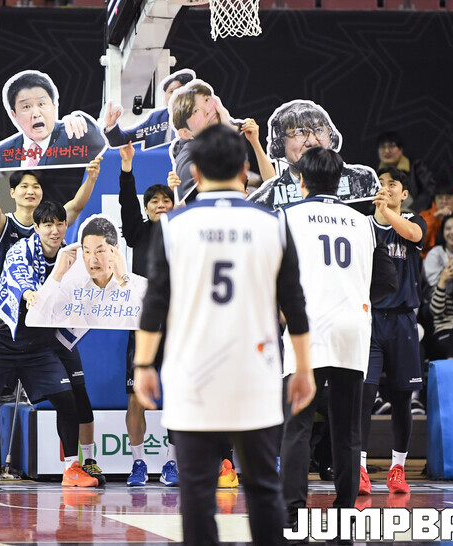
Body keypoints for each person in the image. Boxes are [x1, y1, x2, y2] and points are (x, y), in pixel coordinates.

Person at [133, 124, 315, 546]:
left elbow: (154, 305)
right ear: (244, 169)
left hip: (192, 373)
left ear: (195, 173)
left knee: (197, 493)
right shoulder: (273, 223)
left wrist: (143, 364)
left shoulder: (172, 226)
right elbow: (295, 304)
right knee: (263, 489)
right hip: (255, 372)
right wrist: (304, 367)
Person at [279, 146, 397, 541]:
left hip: (306, 328)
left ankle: (292, 515)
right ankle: (346, 514)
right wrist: (354, 296)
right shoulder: (364, 223)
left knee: (297, 425)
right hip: (352, 328)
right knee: (347, 429)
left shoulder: (287, 217)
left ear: (301, 181)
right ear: (340, 181)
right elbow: (388, 282)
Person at [0, 201, 98, 490]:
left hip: (38, 343)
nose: (54, 230)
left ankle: (71, 468)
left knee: (67, 399)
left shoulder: (73, 256)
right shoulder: (20, 250)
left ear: (66, 226)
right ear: (36, 228)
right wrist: (29, 294)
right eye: (47, 225)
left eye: (59, 224)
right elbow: (19, 279)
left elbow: (90, 287)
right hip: (1, 338)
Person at [0, 156, 104, 484]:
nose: (30, 191)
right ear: (12, 192)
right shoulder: (6, 227)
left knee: (75, 394)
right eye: (24, 186)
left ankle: (84, 463)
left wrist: (91, 177)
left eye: (36, 186)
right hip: (13, 324)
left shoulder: (55, 224)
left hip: (52, 326)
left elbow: (76, 206)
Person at [359, 167, 427, 497]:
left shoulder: (415, 220)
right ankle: (359, 468)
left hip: (402, 321)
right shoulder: (361, 225)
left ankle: (397, 468)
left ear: (404, 194)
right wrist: (380, 214)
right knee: (363, 395)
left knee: (402, 398)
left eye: (392, 184)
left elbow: (413, 235)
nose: (385, 188)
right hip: (369, 319)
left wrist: (387, 212)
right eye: (381, 184)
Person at [116, 142, 179, 486]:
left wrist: (182, 194)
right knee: (136, 396)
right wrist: (127, 170)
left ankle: (172, 463)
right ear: (147, 209)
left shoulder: (184, 233)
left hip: (177, 325)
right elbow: (127, 205)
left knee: (177, 394)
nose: (160, 205)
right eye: (154, 201)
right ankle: (138, 463)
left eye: (166, 200)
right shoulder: (138, 232)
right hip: (141, 325)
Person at [248, 100, 378, 211]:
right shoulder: (265, 199)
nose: (312, 142)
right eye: (299, 132)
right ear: (280, 146)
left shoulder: (363, 180)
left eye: (319, 130)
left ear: (332, 138)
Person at [28, 216, 146, 329]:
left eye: (99, 251)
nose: (93, 260)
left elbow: (149, 323)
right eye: (87, 252)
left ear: (115, 250)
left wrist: (123, 280)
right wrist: (58, 274)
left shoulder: (140, 285)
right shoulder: (73, 289)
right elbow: (34, 320)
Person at [168, 82, 275, 204]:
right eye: (196, 110)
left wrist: (254, 142)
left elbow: (272, 185)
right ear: (185, 133)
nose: (207, 110)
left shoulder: (243, 133)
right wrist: (176, 191)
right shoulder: (187, 157)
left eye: (207, 100)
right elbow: (183, 206)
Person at [0, 71, 106, 169]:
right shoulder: (1, 153)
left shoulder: (74, 136)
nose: (36, 114)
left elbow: (102, 143)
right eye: (26, 107)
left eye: (41, 104)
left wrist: (81, 122)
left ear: (54, 107)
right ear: (14, 114)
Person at [102, 69, 195, 149]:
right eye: (171, 91)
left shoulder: (200, 115)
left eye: (179, 89)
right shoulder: (156, 118)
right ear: (165, 97)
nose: (175, 94)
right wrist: (111, 125)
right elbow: (122, 140)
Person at [375, 131, 436, 213]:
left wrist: (411, 210)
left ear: (400, 149)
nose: (386, 151)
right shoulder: (374, 173)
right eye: (382, 147)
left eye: (391, 146)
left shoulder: (416, 167)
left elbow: (428, 192)